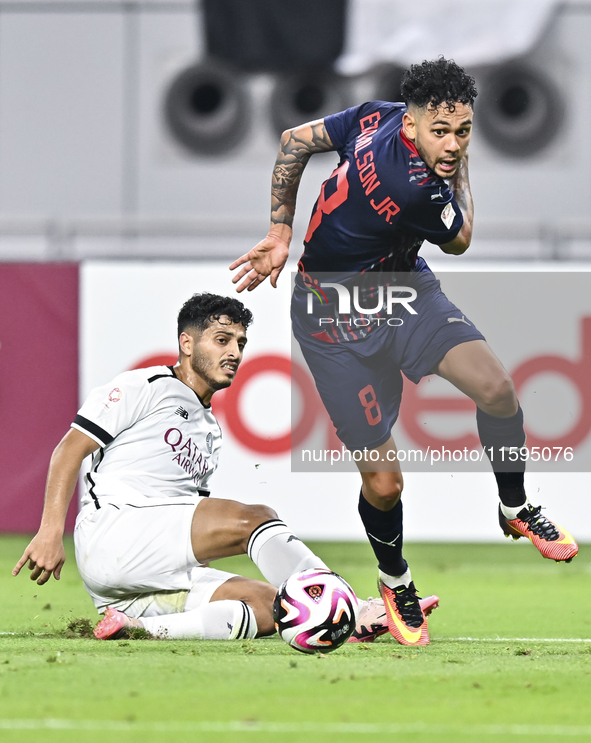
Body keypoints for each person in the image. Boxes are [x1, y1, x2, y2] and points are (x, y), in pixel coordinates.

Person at [230, 57, 578, 647]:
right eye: (440, 132)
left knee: (496, 388)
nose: (452, 144)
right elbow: (462, 238)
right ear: (412, 125)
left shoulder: (376, 115)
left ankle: (515, 506)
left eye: (463, 131)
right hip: (330, 317)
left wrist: (280, 229)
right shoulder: (414, 186)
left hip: (402, 293)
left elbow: (294, 143)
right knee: (385, 482)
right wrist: (462, 167)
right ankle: (395, 581)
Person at [13, 292, 346, 641]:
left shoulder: (210, 431)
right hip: (115, 533)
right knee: (257, 518)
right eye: (222, 340)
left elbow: (188, 509)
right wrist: (50, 530)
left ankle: (140, 628)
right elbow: (69, 450)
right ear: (187, 343)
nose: (234, 353)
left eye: (240, 343)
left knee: (270, 606)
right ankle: (342, 603)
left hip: (143, 571)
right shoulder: (145, 387)